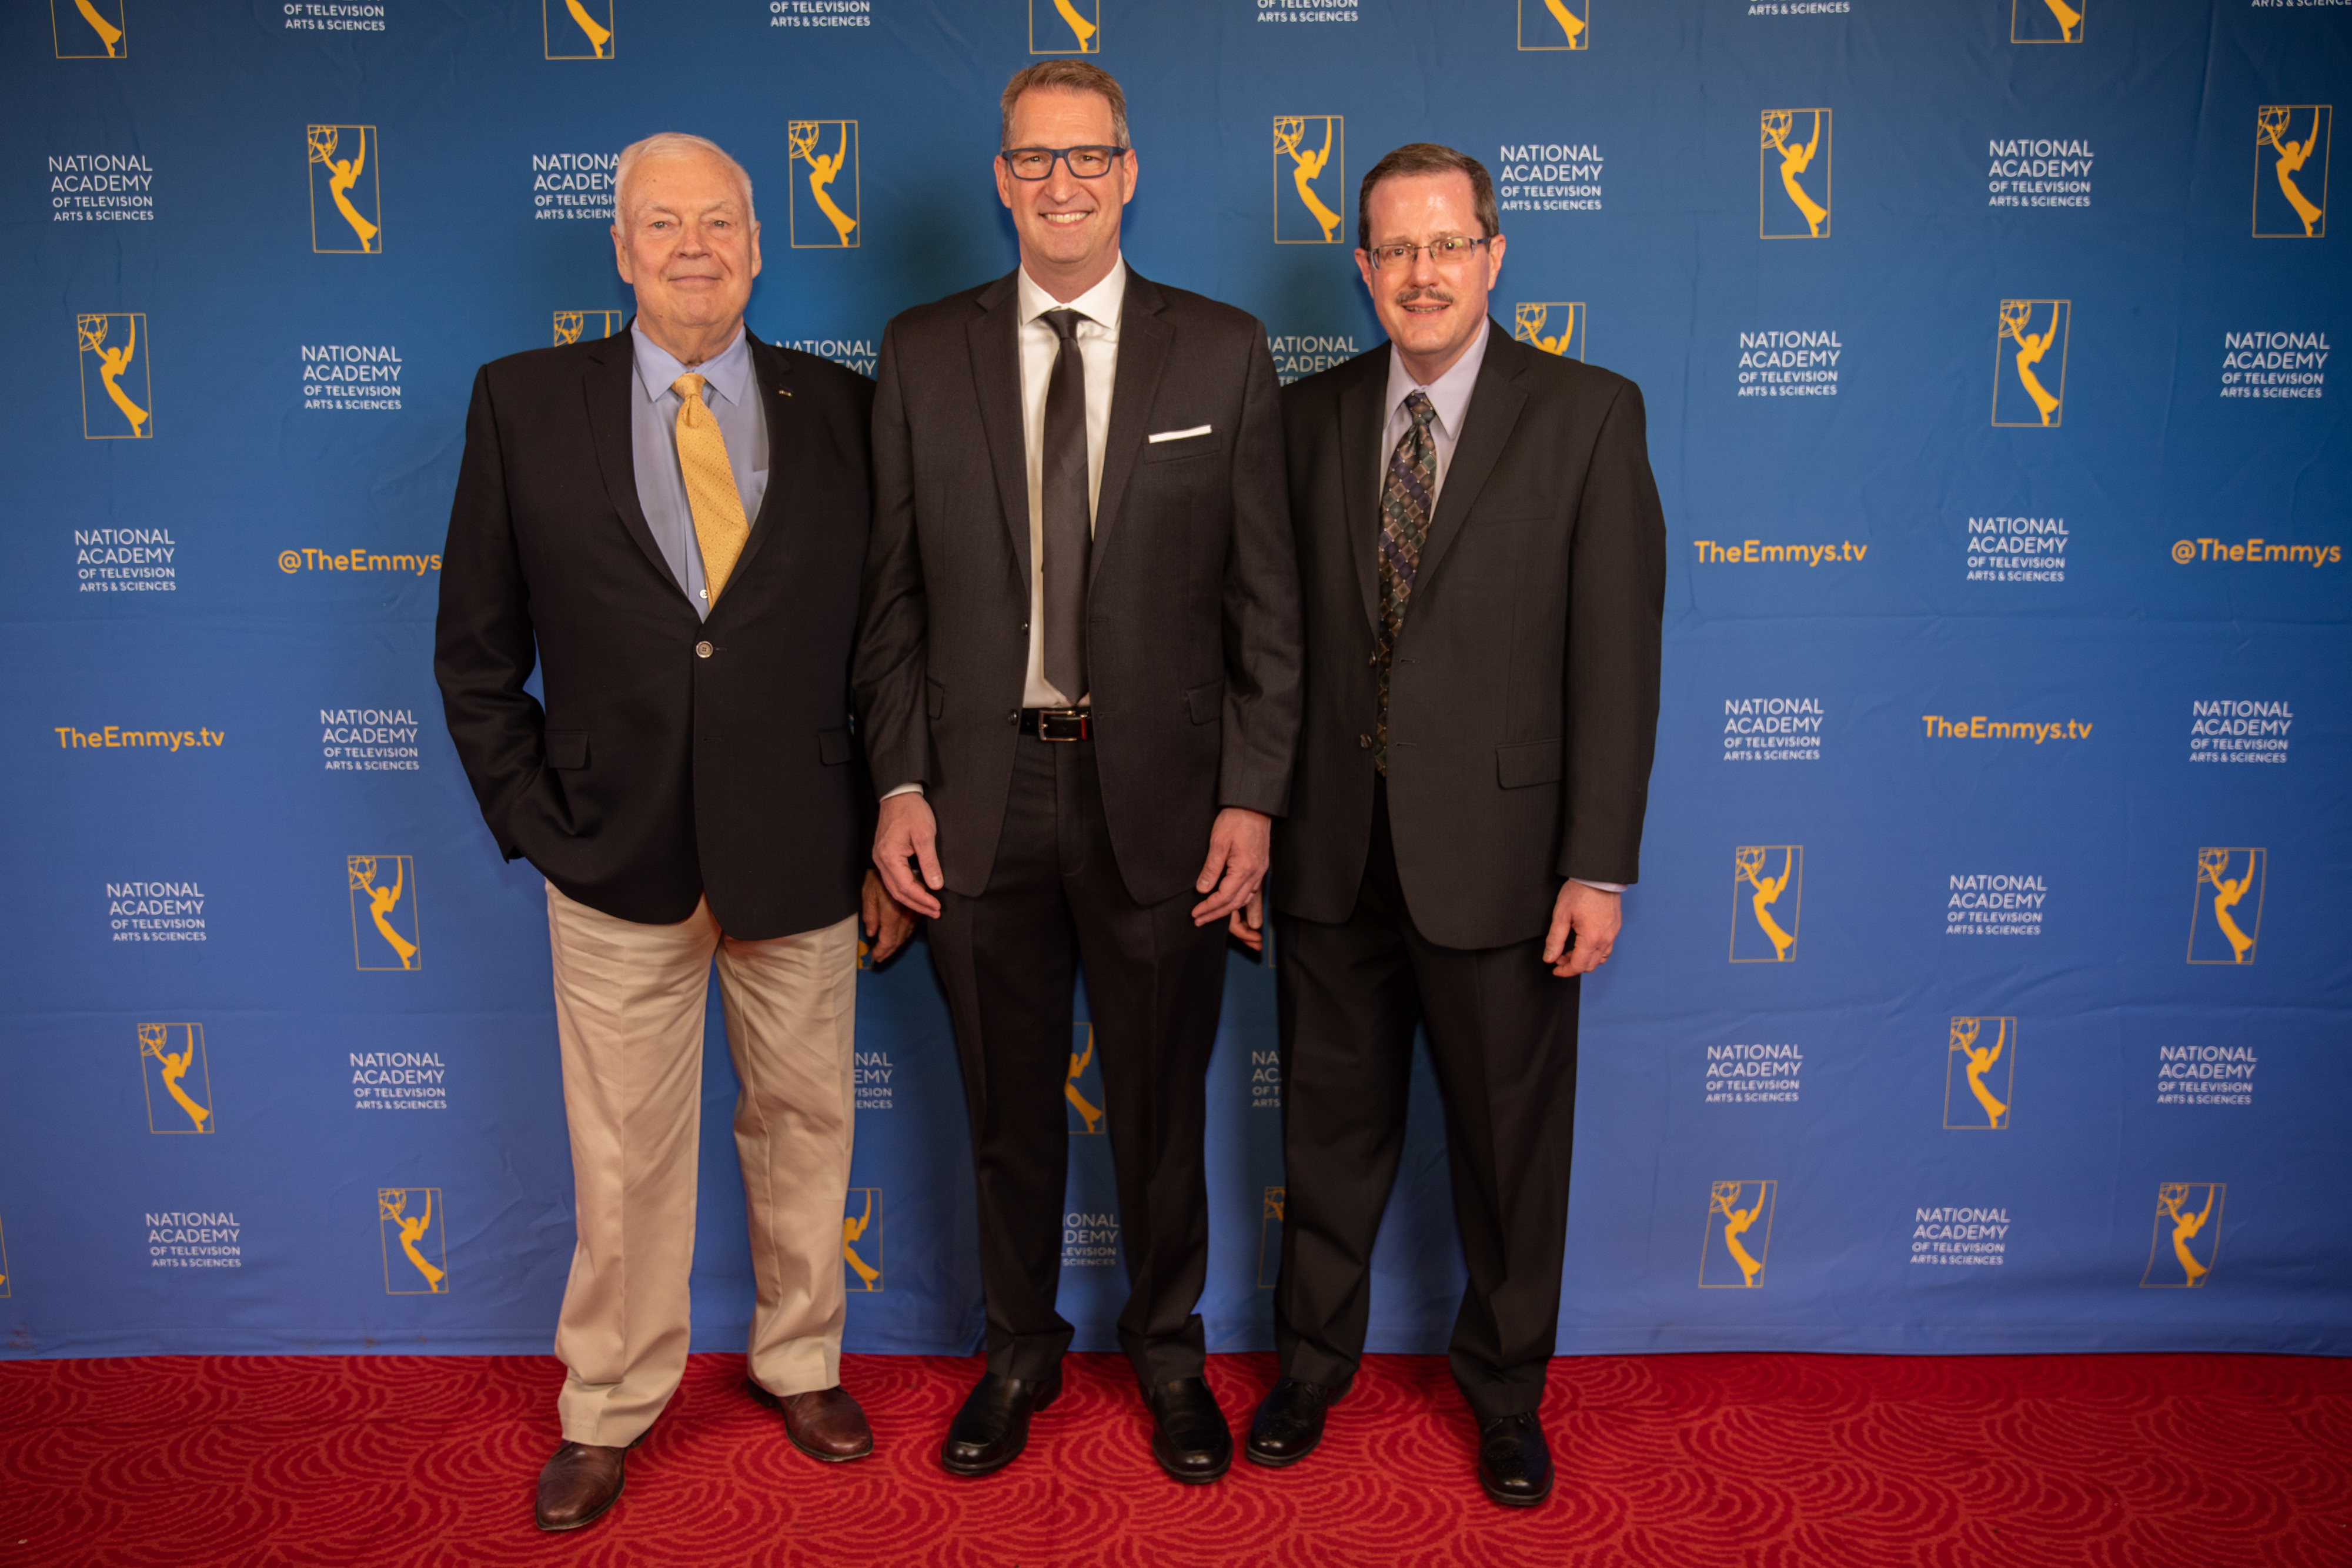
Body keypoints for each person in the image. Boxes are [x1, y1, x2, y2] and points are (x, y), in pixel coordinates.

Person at [435, 131, 913, 1534]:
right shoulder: (523, 403)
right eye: (661, 223)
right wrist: (539, 820)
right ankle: (608, 1401)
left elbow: (889, 644)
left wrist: (889, 812)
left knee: (806, 1124)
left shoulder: (845, 408)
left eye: (717, 222)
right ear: (621, 249)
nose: (691, 246)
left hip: (804, 844)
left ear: (758, 246)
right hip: (611, 852)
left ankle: (799, 1359)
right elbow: (475, 652)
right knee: (622, 1151)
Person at [854, 61, 1301, 1485]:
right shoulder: (921, 350)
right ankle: (1017, 1350)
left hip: (1163, 802)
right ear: (1001, 178)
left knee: (1162, 1108)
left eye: (1086, 157)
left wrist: (1250, 794)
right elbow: (889, 601)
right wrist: (899, 783)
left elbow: (1265, 608)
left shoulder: (1220, 350)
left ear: (1127, 171)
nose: (1061, 183)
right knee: (1004, 1109)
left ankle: (1169, 1351)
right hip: (977, 803)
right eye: (1033, 158)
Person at [1244, 142, 1664, 1507]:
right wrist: (1251, 816)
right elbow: (1266, 647)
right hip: (1329, 855)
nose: (1420, 274)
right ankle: (1308, 1364)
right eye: (1394, 250)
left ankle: (1504, 1392)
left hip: (1502, 860)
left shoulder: (1588, 414)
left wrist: (1595, 863)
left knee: (1506, 1154)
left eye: (1445, 245)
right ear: (1361, 268)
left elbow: (1615, 661)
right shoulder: (1303, 419)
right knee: (1324, 1139)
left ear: (1492, 255)